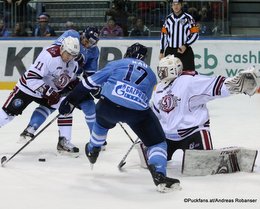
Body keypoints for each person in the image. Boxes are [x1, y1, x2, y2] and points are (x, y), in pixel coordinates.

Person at [58, 43, 181, 193]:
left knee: (101, 123)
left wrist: (70, 100)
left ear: (127, 53)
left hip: (108, 107)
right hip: (136, 112)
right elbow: (147, 99)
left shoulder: (117, 63)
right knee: (157, 143)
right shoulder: (151, 74)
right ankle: (159, 174)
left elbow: (87, 84)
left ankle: (93, 148)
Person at [151, 55, 259, 161]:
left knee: (203, 164)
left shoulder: (188, 81)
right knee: (152, 161)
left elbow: (213, 85)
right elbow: (155, 114)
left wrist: (237, 84)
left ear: (173, 70)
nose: (160, 73)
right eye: (160, 70)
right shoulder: (159, 88)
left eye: (163, 70)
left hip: (193, 133)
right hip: (167, 135)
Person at [19, 26, 101, 154]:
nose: (87, 44)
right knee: (53, 104)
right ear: (82, 35)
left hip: (72, 79)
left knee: (88, 105)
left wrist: (94, 85)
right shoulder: (71, 34)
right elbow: (57, 51)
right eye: (86, 40)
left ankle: (96, 140)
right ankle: (32, 127)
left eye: (92, 43)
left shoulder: (94, 51)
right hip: (56, 76)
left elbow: (89, 72)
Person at [0, 37, 80, 136]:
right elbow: (32, 78)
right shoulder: (49, 56)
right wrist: (49, 92)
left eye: (73, 55)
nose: (70, 57)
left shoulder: (73, 64)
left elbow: (69, 80)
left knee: (66, 108)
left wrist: (80, 90)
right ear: (62, 48)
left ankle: (64, 141)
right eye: (68, 53)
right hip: (27, 88)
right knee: (7, 115)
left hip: (46, 93)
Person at [159, 0, 199, 71]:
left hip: (185, 52)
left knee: (188, 75)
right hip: (170, 52)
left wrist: (185, 45)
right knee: (170, 77)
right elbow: (164, 35)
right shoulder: (168, 19)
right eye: (174, 4)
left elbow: (196, 34)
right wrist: (161, 51)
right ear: (171, 6)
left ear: (181, 5)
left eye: (178, 4)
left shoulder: (188, 18)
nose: (176, 6)